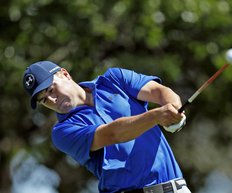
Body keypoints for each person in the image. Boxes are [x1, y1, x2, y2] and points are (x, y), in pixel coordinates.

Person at [22, 61, 190, 193]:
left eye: (51, 90)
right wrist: (156, 116)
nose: (52, 100)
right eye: (44, 100)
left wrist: (174, 112)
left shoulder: (114, 79)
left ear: (65, 74)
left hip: (177, 187)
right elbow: (111, 135)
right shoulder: (63, 132)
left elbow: (159, 92)